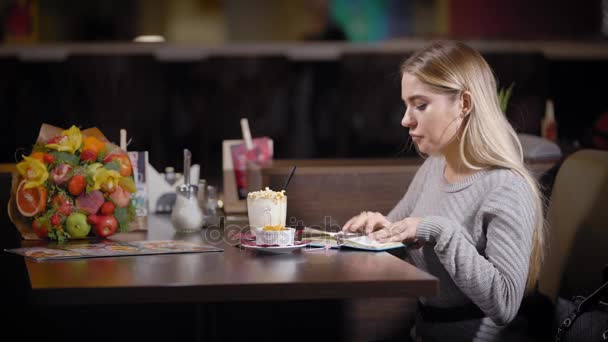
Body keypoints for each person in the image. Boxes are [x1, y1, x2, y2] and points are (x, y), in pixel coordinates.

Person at [342, 41, 545, 342]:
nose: (405, 119)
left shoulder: (508, 187)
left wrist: (438, 231)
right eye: (406, 105)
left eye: (420, 105)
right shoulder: (434, 167)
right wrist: (379, 230)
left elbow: (504, 305)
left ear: (464, 104)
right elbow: (398, 238)